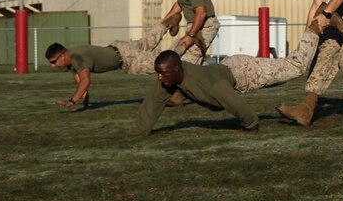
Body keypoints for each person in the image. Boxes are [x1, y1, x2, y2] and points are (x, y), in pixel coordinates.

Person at [135, 20, 322, 135]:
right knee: (282, 76)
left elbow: (236, 104)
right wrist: (141, 132)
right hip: (228, 68)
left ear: (176, 69)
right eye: (158, 73)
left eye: (163, 73)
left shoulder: (210, 85)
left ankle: (316, 27)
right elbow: (153, 101)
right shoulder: (169, 78)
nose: (159, 77)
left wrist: (251, 126)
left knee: (295, 67)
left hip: (245, 72)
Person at [45, 12, 183, 109]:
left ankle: (187, 42)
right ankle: (166, 24)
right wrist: (85, 105)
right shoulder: (72, 61)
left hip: (125, 58)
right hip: (119, 48)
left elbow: (86, 81)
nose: (52, 66)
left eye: (53, 61)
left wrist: (71, 101)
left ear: (62, 55)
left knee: (162, 65)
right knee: (147, 42)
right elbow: (82, 85)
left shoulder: (76, 58)